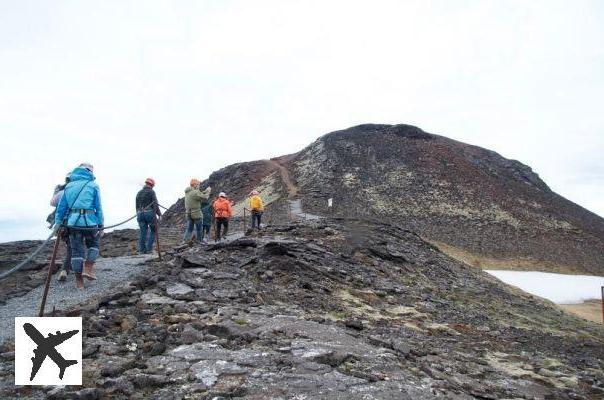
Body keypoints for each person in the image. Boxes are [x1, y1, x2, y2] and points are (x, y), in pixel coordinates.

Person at [54, 162, 104, 289]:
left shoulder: (68, 187)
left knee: (76, 252)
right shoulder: (93, 185)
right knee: (94, 244)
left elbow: (61, 208)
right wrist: (101, 223)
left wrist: (58, 224)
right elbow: (98, 207)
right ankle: (88, 268)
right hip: (90, 222)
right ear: (89, 172)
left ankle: (79, 282)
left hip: (73, 223)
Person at [49, 173, 72, 282]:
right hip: (73, 222)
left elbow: (52, 203)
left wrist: (56, 192)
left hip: (62, 224)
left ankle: (69, 266)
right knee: (72, 247)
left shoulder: (61, 191)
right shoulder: (75, 191)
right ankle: (65, 269)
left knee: (69, 246)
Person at [135, 177, 162, 254]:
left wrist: (138, 214)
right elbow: (155, 204)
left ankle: (141, 250)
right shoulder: (151, 192)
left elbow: (136, 206)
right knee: (154, 230)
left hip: (140, 214)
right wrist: (159, 214)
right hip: (149, 213)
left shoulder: (139, 193)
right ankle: (149, 249)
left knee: (143, 232)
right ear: (152, 185)